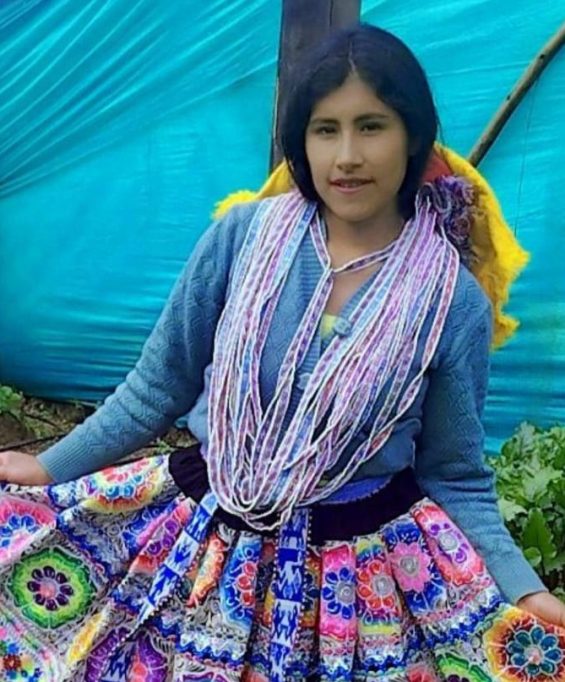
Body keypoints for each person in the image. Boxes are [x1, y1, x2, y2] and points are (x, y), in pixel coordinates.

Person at [0, 23, 564, 682]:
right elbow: (159, 385)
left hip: (356, 584)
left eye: (371, 126)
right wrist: (48, 468)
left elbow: (454, 471)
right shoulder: (242, 239)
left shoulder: (450, 301)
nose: (346, 155)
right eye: (326, 129)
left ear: (413, 135)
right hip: (209, 539)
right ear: (301, 139)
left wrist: (523, 589)